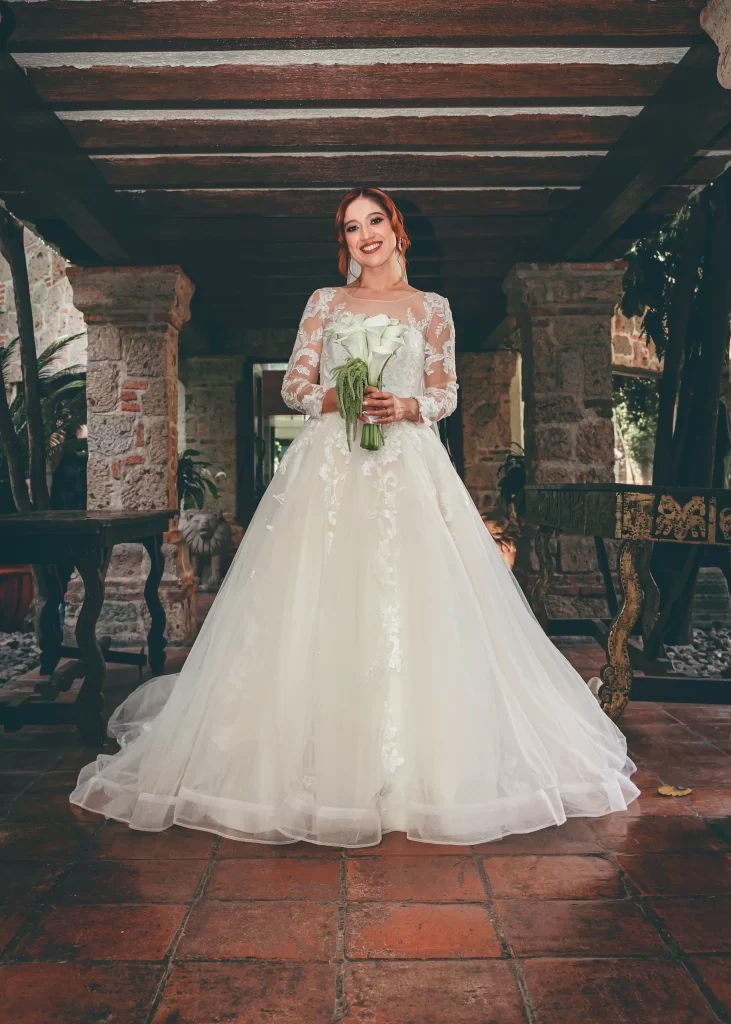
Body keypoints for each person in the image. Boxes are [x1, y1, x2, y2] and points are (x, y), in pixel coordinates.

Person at [69, 186, 639, 848]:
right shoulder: (324, 302)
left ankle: (415, 761)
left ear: (397, 231)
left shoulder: (432, 308)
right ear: (342, 242)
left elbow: (446, 392)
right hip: (328, 469)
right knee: (316, 594)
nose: (363, 234)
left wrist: (406, 407)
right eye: (350, 227)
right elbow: (292, 385)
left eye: (374, 221)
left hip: (406, 465)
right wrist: (336, 399)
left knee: (414, 599)